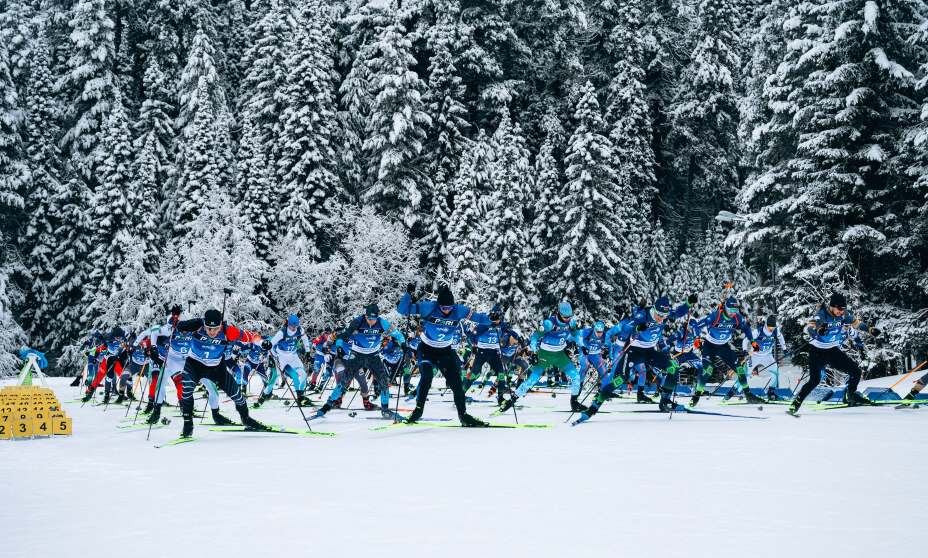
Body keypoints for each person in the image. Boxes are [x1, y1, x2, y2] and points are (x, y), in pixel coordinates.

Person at [574, 295, 695, 423]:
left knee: (673, 367)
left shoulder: (663, 315)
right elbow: (626, 328)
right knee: (620, 379)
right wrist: (636, 330)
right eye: (659, 315)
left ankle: (665, 401)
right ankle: (593, 408)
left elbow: (678, 312)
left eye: (664, 316)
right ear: (654, 309)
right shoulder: (643, 316)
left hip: (649, 351)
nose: (661, 318)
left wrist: (688, 303)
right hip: (633, 351)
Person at [397, 284, 489, 426]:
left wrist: (492, 319)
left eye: (449, 307)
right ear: (438, 304)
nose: (447, 310)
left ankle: (463, 416)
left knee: (457, 383)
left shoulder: (458, 310)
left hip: (445, 351)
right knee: (427, 377)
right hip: (427, 349)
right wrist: (408, 295)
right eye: (443, 307)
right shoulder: (429, 307)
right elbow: (403, 310)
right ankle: (418, 411)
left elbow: (479, 318)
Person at [170, 309, 271, 437]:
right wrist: (176, 321)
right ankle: (188, 424)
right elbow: (178, 326)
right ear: (204, 324)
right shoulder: (197, 325)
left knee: (237, 394)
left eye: (216, 329)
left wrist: (262, 342)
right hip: (194, 364)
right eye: (209, 328)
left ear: (220, 326)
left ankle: (246, 419)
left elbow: (249, 336)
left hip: (216, 367)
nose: (212, 332)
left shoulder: (228, 331)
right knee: (186, 390)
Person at [788, 292, 881, 416]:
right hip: (818, 352)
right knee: (814, 380)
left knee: (856, 372)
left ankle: (850, 395)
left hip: (832, 350)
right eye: (839, 309)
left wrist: (869, 329)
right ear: (832, 306)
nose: (841, 312)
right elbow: (810, 328)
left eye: (843, 309)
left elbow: (857, 323)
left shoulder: (844, 315)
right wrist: (819, 330)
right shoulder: (822, 314)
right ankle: (796, 403)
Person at [498, 301, 584, 413]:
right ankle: (511, 401)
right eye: (565, 317)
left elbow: (576, 335)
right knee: (532, 379)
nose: (567, 319)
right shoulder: (549, 324)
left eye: (569, 317)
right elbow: (535, 337)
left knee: (576, 376)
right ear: (559, 313)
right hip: (544, 354)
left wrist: (583, 345)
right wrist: (534, 353)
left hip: (560, 355)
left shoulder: (571, 323)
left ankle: (574, 403)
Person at [701, 296, 763, 404]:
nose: (732, 313)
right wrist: (696, 335)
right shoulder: (716, 316)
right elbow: (702, 324)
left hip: (724, 346)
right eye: (730, 310)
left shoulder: (737, 318)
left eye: (735, 310)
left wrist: (752, 342)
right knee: (708, 370)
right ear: (725, 308)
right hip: (710, 346)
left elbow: (746, 328)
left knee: (740, 369)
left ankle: (748, 395)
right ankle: (697, 393)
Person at [256, 314, 313, 407]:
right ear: (288, 324)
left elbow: (305, 339)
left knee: (303, 375)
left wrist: (308, 352)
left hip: (293, 356)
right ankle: (262, 398)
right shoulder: (282, 332)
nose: (294, 328)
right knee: (275, 377)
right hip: (281, 357)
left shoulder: (300, 330)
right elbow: (271, 344)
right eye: (292, 326)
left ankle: (300, 397)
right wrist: (271, 356)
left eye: (296, 326)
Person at [742, 315, 789, 400]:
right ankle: (734, 391)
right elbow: (745, 340)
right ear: (766, 325)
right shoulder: (758, 331)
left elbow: (781, 338)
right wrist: (745, 350)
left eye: (773, 327)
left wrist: (785, 349)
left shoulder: (776, 331)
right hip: (755, 355)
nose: (771, 329)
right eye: (770, 327)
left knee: (775, 372)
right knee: (746, 374)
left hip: (767, 355)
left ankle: (771, 393)